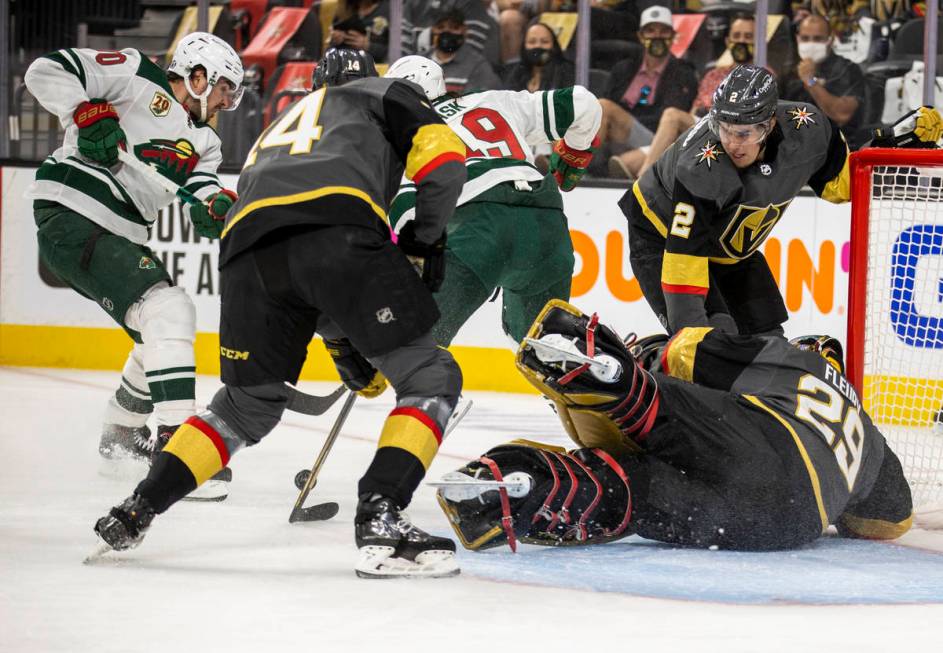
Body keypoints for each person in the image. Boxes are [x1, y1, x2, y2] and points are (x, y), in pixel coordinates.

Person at [92, 49, 469, 579]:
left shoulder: (279, 127)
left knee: (243, 409)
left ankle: (137, 509)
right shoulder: (385, 93)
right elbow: (446, 162)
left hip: (247, 255)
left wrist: (340, 338)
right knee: (431, 374)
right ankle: (381, 514)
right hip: (339, 227)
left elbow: (300, 268)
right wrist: (424, 240)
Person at [437, 300, 914, 552]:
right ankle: (530, 493)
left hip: (769, 444)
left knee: (660, 403)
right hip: (787, 525)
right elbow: (890, 521)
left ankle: (608, 373)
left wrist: (644, 354)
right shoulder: (873, 442)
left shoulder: (796, 362)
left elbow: (687, 351)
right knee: (637, 492)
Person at [26, 33, 244, 499]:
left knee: (159, 331)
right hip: (73, 211)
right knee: (169, 311)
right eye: (224, 86)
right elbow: (44, 70)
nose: (228, 99)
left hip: (117, 232)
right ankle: (179, 452)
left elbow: (203, 196)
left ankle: (122, 435)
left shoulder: (206, 142)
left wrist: (216, 208)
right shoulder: (134, 72)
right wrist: (83, 111)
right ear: (197, 75)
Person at [620, 64, 941, 337]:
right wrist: (695, 346)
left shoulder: (810, 129)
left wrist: (885, 148)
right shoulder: (701, 166)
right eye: (724, 129)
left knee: (769, 340)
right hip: (660, 239)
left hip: (729, 248)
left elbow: (842, 188)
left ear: (770, 124)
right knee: (715, 343)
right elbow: (683, 273)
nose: (732, 143)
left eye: (744, 133)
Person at [385, 55, 601, 345]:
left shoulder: (405, 134)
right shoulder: (493, 99)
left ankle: (431, 392)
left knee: (420, 343)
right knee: (545, 350)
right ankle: (611, 378)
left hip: (480, 230)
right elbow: (583, 103)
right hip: (547, 225)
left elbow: (405, 209)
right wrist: (573, 155)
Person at [611, 14, 758, 180]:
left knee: (672, 116)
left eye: (748, 37)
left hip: (732, 132)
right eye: (736, 36)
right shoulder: (714, 74)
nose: (741, 42)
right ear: (727, 42)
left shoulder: (764, 76)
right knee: (623, 163)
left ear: (759, 41)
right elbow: (695, 110)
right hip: (702, 128)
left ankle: (645, 182)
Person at [596, 5, 697, 173]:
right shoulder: (623, 68)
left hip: (659, 137)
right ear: (640, 36)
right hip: (621, 134)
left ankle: (584, 166)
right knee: (601, 107)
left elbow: (671, 116)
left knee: (605, 106)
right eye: (650, 31)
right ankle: (580, 165)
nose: (657, 37)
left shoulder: (684, 73)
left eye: (663, 31)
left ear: (673, 36)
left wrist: (627, 120)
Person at [781, 14, 868, 149]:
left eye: (817, 39)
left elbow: (842, 114)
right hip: (794, 146)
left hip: (836, 146)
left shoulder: (848, 70)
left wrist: (810, 82)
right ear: (797, 39)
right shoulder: (788, 71)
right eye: (805, 38)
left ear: (830, 40)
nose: (810, 44)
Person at [422, 8, 503, 94]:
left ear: (464, 31)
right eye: (440, 27)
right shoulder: (420, 61)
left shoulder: (478, 66)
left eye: (454, 27)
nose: (446, 32)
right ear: (433, 30)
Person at [502, 20, 575, 93]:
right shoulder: (515, 73)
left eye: (545, 41)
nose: (538, 46)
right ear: (524, 46)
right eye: (532, 42)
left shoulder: (567, 72)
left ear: (554, 46)